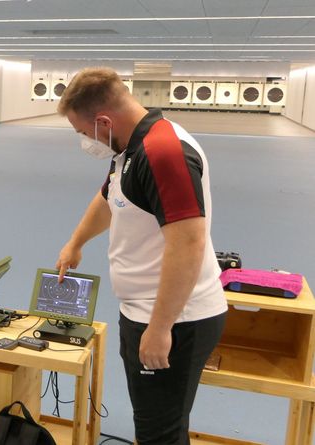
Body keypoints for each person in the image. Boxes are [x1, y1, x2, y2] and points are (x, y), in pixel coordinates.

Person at [54, 67, 227, 444]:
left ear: (103, 120)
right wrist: (76, 242)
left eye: (83, 133)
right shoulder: (130, 147)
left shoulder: (163, 151)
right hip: (146, 312)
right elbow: (109, 199)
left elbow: (188, 242)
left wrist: (161, 327)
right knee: (154, 424)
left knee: (159, 433)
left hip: (175, 319)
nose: (85, 140)